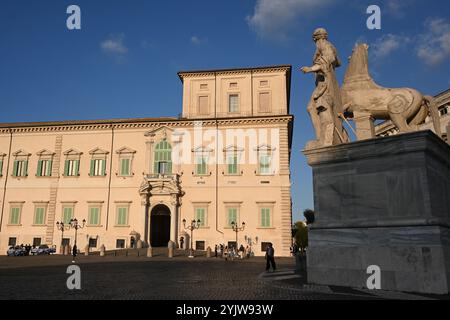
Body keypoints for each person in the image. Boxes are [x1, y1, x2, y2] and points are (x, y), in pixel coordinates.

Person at [301, 28, 348, 149]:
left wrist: (310, 69)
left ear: (317, 38)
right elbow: (337, 61)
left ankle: (324, 139)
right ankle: (327, 137)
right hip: (325, 83)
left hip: (325, 84)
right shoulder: (326, 47)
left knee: (315, 107)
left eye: (315, 40)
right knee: (315, 108)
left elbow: (329, 59)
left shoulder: (324, 45)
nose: (315, 43)